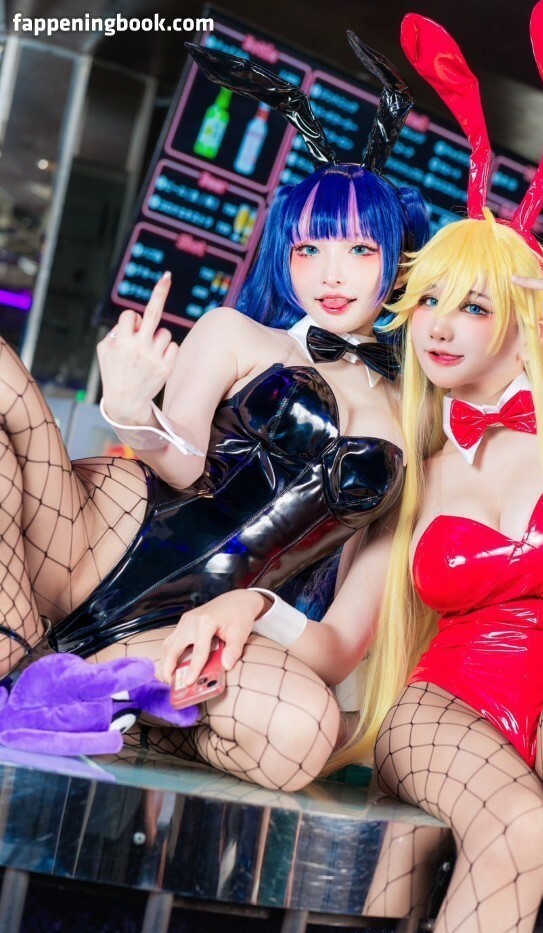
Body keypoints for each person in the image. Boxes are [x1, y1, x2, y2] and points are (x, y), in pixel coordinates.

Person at [150, 8, 543, 933]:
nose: (442, 326)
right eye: (427, 301)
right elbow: (342, 639)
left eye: (475, 304)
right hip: (446, 712)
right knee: (515, 829)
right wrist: (253, 605)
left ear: (526, 318)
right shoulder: (410, 455)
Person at [0, 36, 428, 702]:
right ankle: (14, 639)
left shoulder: (416, 417)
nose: (330, 274)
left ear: (399, 263)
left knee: (299, 725)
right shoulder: (235, 332)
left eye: (359, 250)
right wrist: (130, 410)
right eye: (308, 249)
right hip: (97, 535)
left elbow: (347, 627)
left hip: (194, 623)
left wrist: (260, 609)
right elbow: (183, 466)